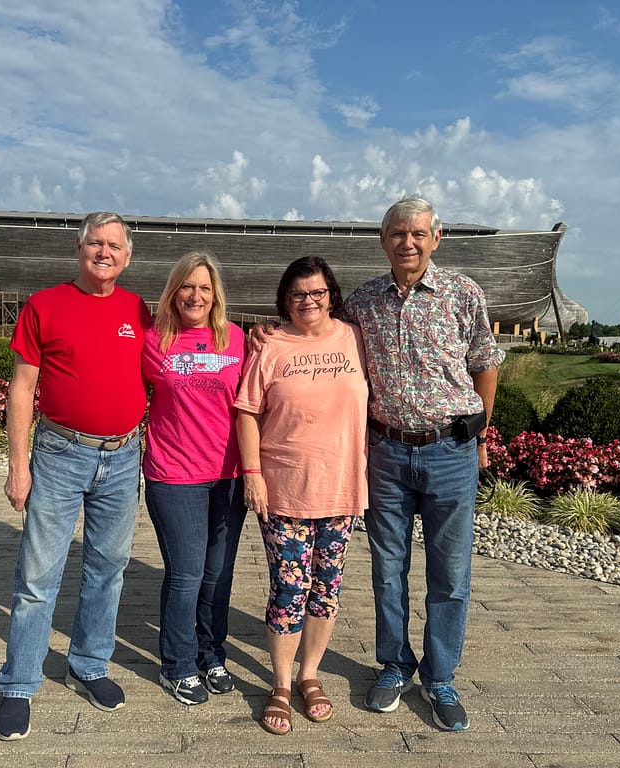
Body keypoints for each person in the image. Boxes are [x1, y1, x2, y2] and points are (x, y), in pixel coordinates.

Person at [0, 212, 152, 741]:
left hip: (123, 455)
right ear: (78, 248)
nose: (104, 252)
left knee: (108, 570)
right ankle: (18, 684)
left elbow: (186, 346)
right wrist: (19, 466)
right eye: (95, 244)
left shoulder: (138, 309)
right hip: (60, 455)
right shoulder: (45, 305)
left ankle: (88, 665)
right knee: (39, 578)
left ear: (127, 257)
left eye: (114, 246)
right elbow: (21, 388)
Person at [350, 195, 503, 731]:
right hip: (386, 451)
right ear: (383, 240)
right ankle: (394, 666)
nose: (407, 243)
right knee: (388, 571)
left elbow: (485, 364)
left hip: (449, 451)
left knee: (450, 573)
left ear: (436, 239)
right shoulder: (363, 302)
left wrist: (480, 434)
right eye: (397, 234)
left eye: (418, 234)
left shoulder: (464, 293)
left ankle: (440, 678)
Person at [235, 256, 368, 735]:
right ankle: (282, 684)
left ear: (331, 293)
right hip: (285, 489)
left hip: (342, 487)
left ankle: (311, 674)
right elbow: (247, 411)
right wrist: (252, 473)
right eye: (297, 295)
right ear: (284, 301)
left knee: (326, 589)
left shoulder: (355, 337)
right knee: (289, 589)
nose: (308, 301)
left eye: (317, 292)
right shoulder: (270, 345)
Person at [141, 251, 248, 706]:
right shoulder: (152, 340)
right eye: (187, 286)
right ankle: (178, 665)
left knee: (218, 575)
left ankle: (211, 653)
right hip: (174, 475)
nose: (196, 295)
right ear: (174, 291)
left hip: (229, 476)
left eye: (205, 288)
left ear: (215, 295)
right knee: (186, 574)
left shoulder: (237, 338)